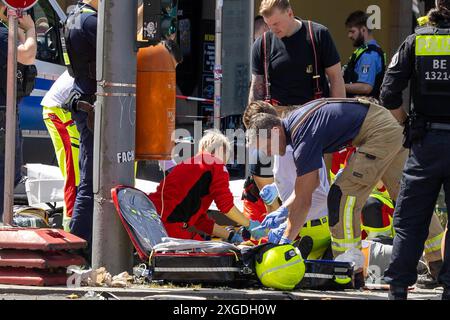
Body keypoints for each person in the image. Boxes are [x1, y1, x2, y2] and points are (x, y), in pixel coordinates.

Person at [246, 98, 408, 274]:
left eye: (267, 147)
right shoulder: (297, 128)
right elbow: (308, 186)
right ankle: (436, 261)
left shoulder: (301, 136)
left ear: (276, 131)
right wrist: (283, 210)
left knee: (341, 197)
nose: (268, 153)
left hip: (379, 131)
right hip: (385, 127)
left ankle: (347, 271)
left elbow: (304, 198)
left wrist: (285, 241)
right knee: (407, 196)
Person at [380, 0, 450, 300]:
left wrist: (408, 123)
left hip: (425, 143)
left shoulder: (416, 41)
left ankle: (398, 289)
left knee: (411, 219)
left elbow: (388, 93)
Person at [247, 0, 345, 201]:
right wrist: (252, 125)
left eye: (276, 23)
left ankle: (321, 228)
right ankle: (286, 225)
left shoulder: (318, 35)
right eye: (268, 25)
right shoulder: (262, 45)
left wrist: (339, 119)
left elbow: (336, 77)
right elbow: (257, 87)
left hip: (315, 117)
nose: (273, 29)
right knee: (279, 179)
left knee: (318, 183)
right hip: (278, 119)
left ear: (290, 13)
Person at [244, 101, 331, 260]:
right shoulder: (287, 147)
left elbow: (315, 193)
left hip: (305, 227)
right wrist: (277, 189)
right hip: (311, 226)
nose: (266, 152)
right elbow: (299, 184)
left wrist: (284, 218)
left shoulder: (290, 152)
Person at [148, 130, 264, 243]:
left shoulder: (193, 165)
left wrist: (230, 236)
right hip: (169, 226)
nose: (226, 163)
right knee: (209, 258)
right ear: (221, 150)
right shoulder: (215, 164)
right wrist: (249, 224)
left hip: (152, 221)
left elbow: (200, 220)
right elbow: (225, 205)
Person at [62, 0, 98, 254]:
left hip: (83, 100)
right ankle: (80, 244)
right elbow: (120, 52)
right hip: (92, 105)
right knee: (92, 179)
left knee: (89, 174)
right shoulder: (90, 21)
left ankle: (81, 242)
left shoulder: (74, 16)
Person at [0, 5, 36, 218]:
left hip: (6, 111)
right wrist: (31, 29)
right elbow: (26, 55)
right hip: (3, 114)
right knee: (6, 174)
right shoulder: (2, 34)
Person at [41, 71, 79, 231]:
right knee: (73, 171)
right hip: (57, 110)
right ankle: (70, 226)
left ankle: (74, 222)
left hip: (64, 109)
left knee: (77, 170)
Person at [343, 10, 386, 99]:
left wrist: (337, 86)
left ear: (363, 29)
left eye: (352, 31)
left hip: (364, 110)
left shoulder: (369, 55)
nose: (349, 36)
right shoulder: (363, 50)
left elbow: (366, 87)